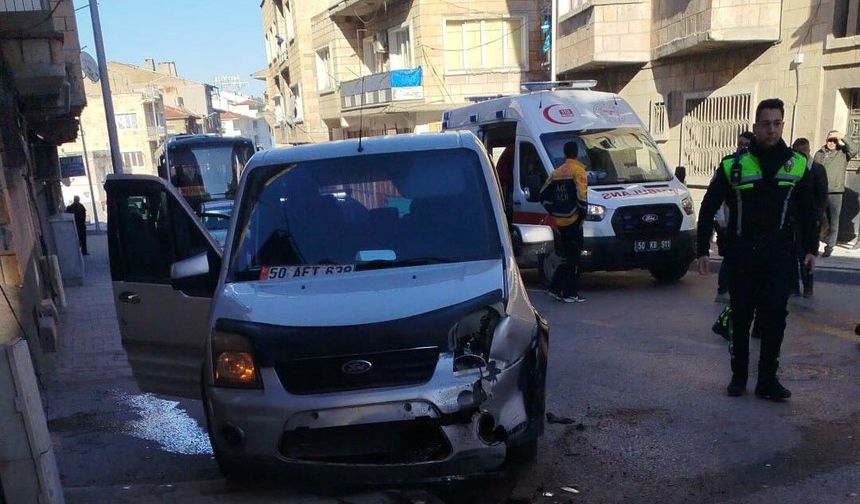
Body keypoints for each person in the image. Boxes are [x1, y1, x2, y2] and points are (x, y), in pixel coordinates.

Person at [697, 98, 817, 401]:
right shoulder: (732, 165)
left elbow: (807, 211)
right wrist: (701, 249)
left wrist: (811, 249)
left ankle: (767, 380)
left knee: (775, 317)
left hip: (779, 257)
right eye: (766, 124)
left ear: (783, 124)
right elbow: (708, 207)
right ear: (755, 126)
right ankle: (739, 377)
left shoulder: (798, 165)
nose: (772, 130)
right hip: (742, 256)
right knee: (740, 317)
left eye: (777, 124)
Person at [540, 141, 588, 303]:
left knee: (566, 256)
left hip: (560, 220)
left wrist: (553, 210)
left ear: (565, 153)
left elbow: (543, 195)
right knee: (574, 258)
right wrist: (582, 215)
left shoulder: (556, 172)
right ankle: (569, 292)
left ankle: (555, 288)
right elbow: (582, 196)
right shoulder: (578, 171)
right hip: (574, 220)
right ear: (576, 153)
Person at [714, 131, 756, 303]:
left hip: (750, 224)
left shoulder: (756, 165)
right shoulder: (729, 164)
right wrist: (720, 218)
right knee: (729, 257)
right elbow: (716, 196)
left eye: (747, 145)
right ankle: (723, 290)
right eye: (741, 144)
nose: (743, 148)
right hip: (730, 221)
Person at [791, 138, 829, 297]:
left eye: (803, 151)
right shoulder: (792, 169)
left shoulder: (817, 169)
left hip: (810, 219)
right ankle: (793, 286)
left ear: (808, 150)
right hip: (793, 219)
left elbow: (822, 196)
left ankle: (807, 286)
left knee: (807, 253)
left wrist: (818, 218)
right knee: (792, 254)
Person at [814, 130, 859, 256]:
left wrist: (842, 137)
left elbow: (855, 148)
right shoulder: (819, 153)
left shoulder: (843, 153)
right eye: (830, 140)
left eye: (834, 141)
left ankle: (829, 248)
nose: (832, 143)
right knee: (820, 219)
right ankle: (815, 244)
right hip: (821, 192)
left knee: (834, 221)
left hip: (836, 192)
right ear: (826, 140)